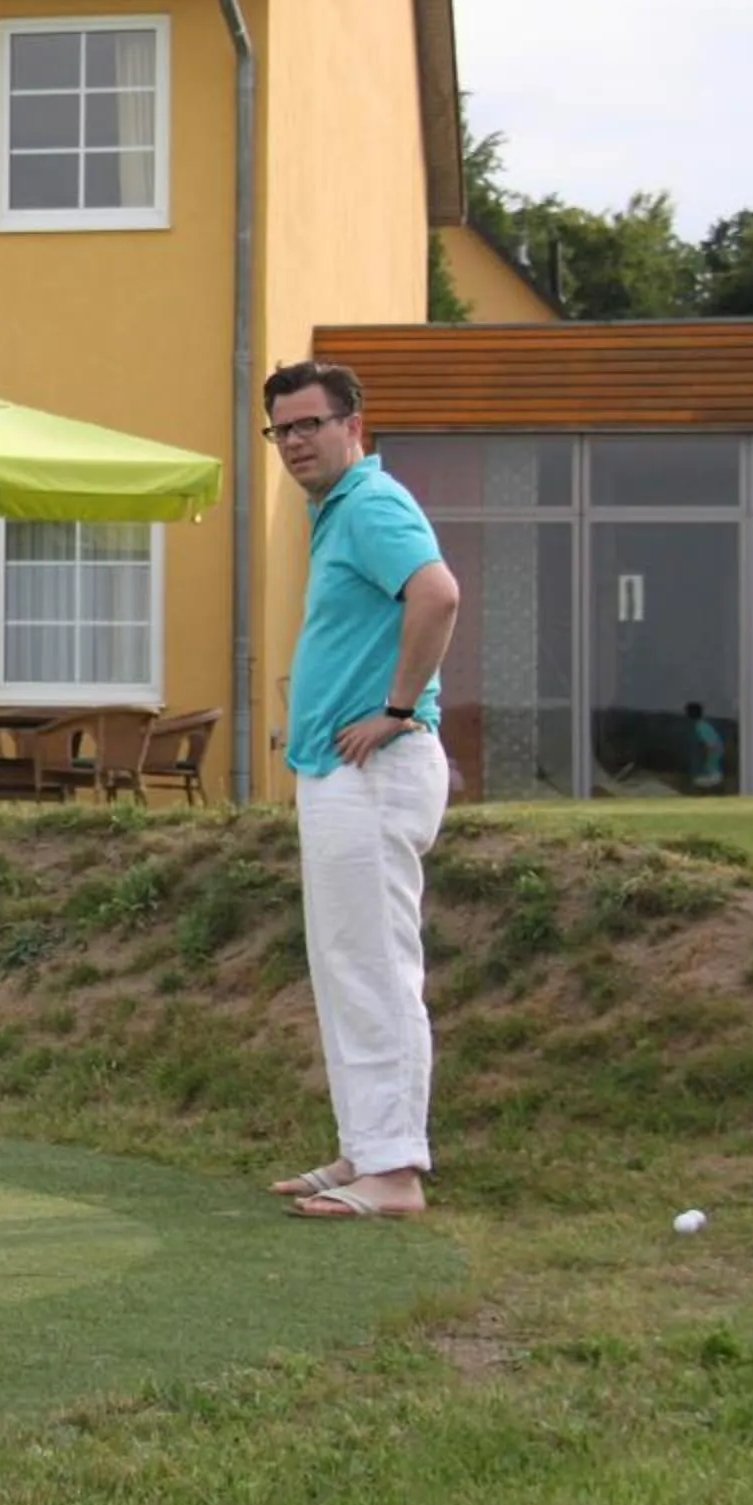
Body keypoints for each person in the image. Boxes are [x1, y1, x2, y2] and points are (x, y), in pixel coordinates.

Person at [261, 360, 460, 1220]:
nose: (296, 442)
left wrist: (396, 706)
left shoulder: (372, 505)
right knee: (345, 963)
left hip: (376, 769)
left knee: (376, 965)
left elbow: (437, 595)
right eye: (282, 430)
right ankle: (365, 1149)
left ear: (352, 425)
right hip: (335, 769)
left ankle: (396, 1173)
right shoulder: (335, 514)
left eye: (310, 425)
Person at [684, 702, 728, 792]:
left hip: (710, 773)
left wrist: (705, 764)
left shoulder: (702, 727)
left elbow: (712, 746)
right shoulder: (701, 726)